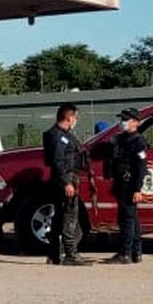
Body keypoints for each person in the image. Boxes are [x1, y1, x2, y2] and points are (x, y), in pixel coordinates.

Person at [44, 103, 89, 266]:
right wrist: (67, 182)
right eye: (75, 117)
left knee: (59, 216)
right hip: (66, 179)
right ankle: (70, 254)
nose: (76, 120)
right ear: (69, 118)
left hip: (63, 178)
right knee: (69, 217)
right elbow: (58, 161)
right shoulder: (60, 137)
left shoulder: (61, 134)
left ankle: (54, 254)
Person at [106, 108, 148, 265]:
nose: (122, 122)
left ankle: (125, 253)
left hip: (129, 184)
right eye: (122, 119)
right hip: (120, 183)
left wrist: (137, 188)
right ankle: (136, 251)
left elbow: (141, 167)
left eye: (126, 120)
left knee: (127, 219)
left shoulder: (138, 142)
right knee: (132, 217)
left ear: (135, 122)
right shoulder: (121, 139)